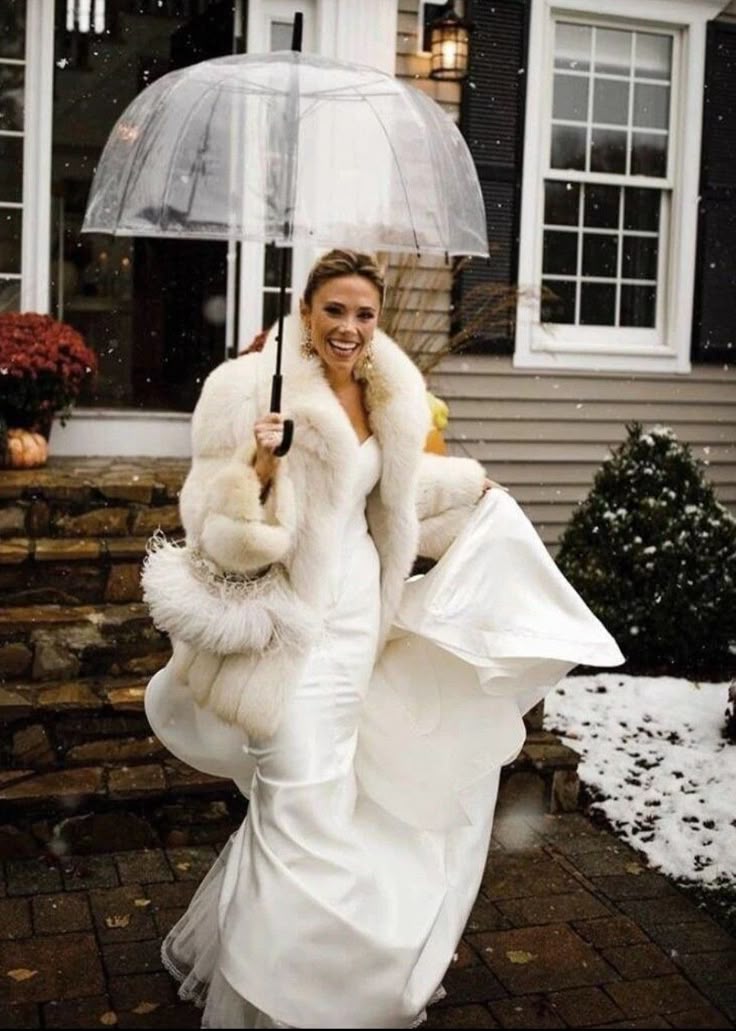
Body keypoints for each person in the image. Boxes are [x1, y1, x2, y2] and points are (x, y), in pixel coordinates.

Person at [143, 249, 623, 1029]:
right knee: (294, 803)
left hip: (357, 629)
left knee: (329, 802)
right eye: (335, 310)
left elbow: (393, 494)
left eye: (364, 313)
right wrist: (256, 468)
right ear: (306, 312)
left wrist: (473, 485)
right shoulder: (244, 389)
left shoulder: (391, 391)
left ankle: (315, 978)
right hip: (285, 631)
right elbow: (209, 530)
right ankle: (280, 996)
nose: (350, 327)